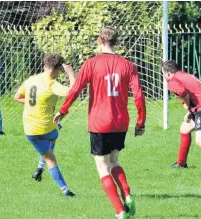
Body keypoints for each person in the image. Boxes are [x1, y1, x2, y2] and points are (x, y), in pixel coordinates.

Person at [54, 26, 146, 219]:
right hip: (120, 122)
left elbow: (76, 88)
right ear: (117, 42)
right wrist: (141, 122)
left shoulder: (91, 63)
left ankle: (120, 211)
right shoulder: (128, 65)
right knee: (114, 161)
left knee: (102, 166)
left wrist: (63, 110)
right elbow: (138, 94)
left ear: (99, 41)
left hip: (99, 122)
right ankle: (127, 194)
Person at [14, 53, 76, 196]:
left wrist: (33, 105)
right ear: (57, 69)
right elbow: (73, 92)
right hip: (45, 127)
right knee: (51, 157)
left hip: (29, 128)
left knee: (53, 135)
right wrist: (71, 74)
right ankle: (66, 191)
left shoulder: (31, 79)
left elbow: (17, 97)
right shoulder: (51, 84)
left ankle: (39, 170)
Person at [162, 60, 201, 168]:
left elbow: (183, 92)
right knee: (185, 127)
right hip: (197, 108)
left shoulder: (173, 81)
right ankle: (181, 163)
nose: (163, 76)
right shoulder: (183, 74)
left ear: (167, 73)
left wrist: (189, 108)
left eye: (163, 73)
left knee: (199, 142)